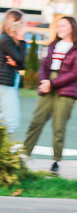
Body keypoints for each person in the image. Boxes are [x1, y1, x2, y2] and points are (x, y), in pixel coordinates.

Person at [21, 16, 77, 174]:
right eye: (58, 26)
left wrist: (52, 83)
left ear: (72, 28)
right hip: (48, 86)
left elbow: (74, 73)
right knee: (36, 121)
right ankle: (24, 155)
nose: (59, 29)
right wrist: (44, 81)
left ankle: (56, 162)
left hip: (65, 90)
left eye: (63, 26)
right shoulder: (54, 45)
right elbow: (44, 64)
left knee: (58, 127)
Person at [0, 9, 27, 133]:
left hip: (8, 83)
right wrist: (22, 41)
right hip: (4, 84)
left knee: (1, 120)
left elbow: (22, 64)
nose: (22, 26)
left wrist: (18, 63)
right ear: (13, 23)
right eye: (20, 23)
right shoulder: (5, 39)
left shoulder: (10, 40)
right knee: (11, 122)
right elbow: (20, 58)